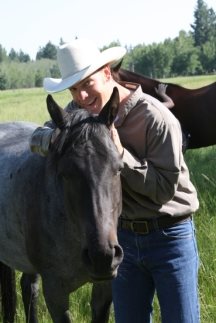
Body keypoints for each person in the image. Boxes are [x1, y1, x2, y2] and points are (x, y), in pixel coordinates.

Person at [30, 38, 200, 323]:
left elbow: (161, 191)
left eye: (87, 84)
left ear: (107, 73)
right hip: (122, 240)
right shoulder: (79, 116)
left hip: (169, 238)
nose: (81, 96)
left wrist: (119, 154)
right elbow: (36, 138)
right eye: (74, 88)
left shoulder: (155, 118)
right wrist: (57, 138)